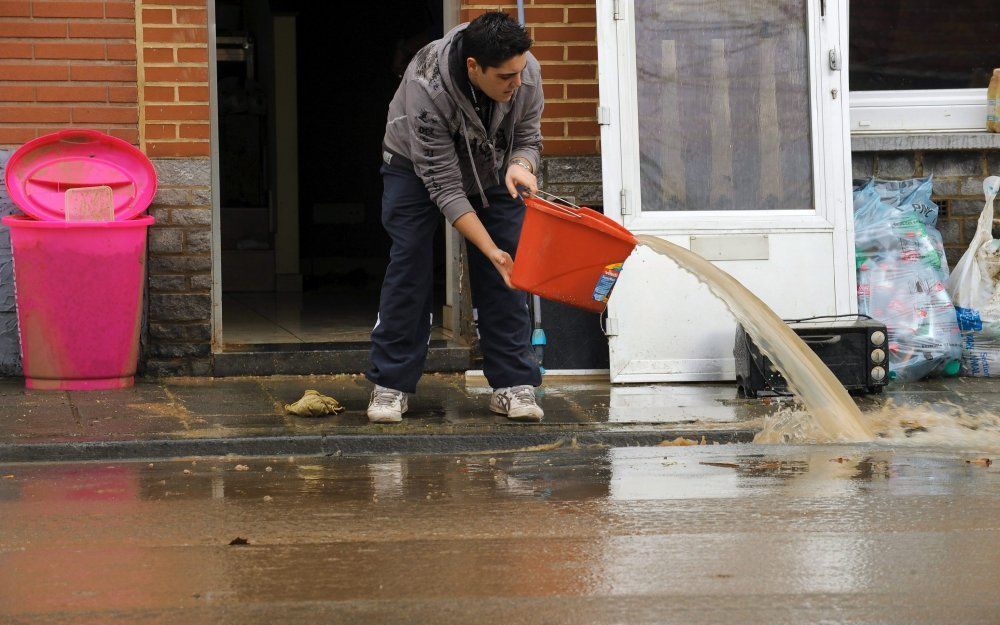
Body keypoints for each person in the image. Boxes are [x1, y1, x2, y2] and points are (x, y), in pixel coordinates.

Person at [366, 12, 545, 424]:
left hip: (493, 163)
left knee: (508, 267)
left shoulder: (524, 69)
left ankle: (513, 384)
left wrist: (520, 163)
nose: (517, 83)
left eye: (519, 73)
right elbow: (445, 188)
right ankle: (390, 384)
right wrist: (489, 249)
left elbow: (528, 138)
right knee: (410, 260)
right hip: (415, 167)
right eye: (505, 78)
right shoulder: (425, 85)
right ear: (473, 67)